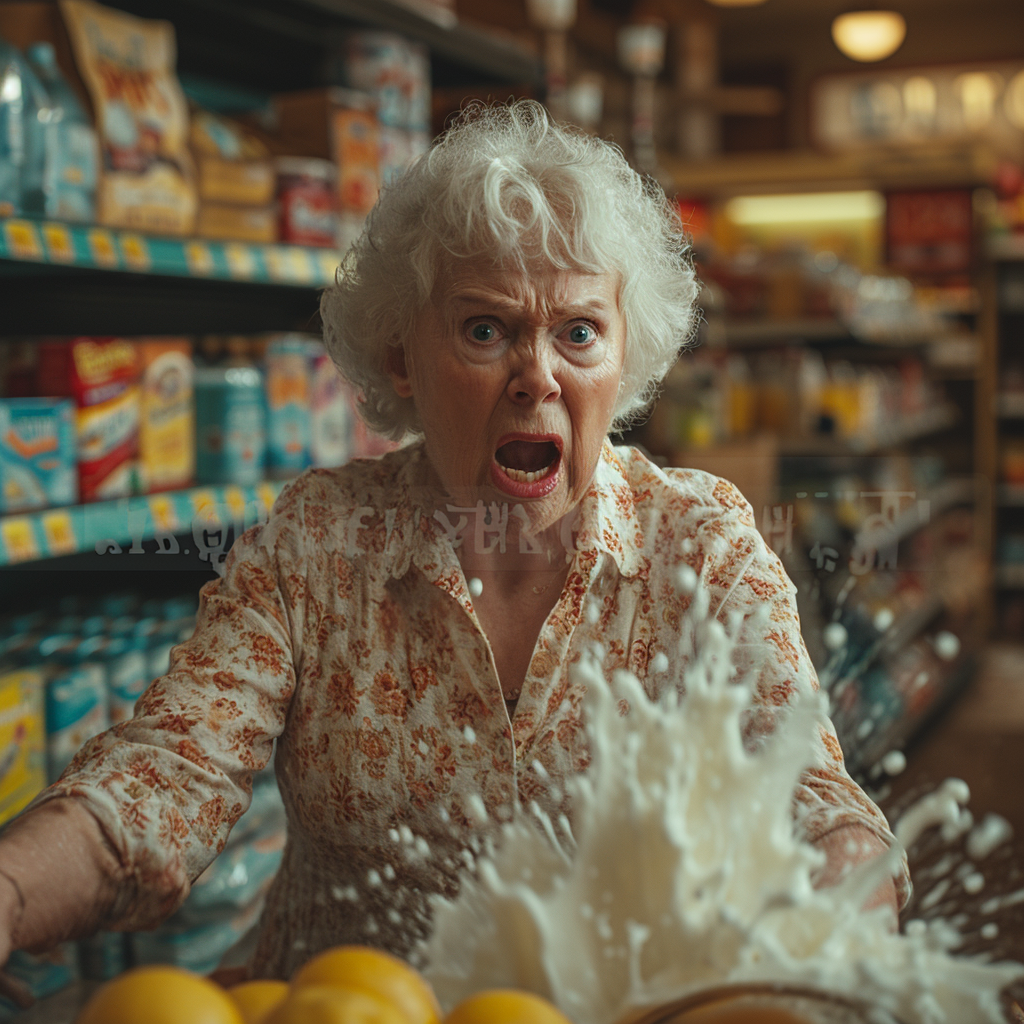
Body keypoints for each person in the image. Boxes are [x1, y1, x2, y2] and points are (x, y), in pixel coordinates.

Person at [0, 101, 908, 995]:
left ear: (626, 356)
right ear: (403, 358)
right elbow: (165, 776)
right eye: (487, 329)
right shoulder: (316, 543)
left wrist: (843, 909)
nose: (538, 376)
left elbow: (808, 789)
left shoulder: (702, 544)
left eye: (579, 332)